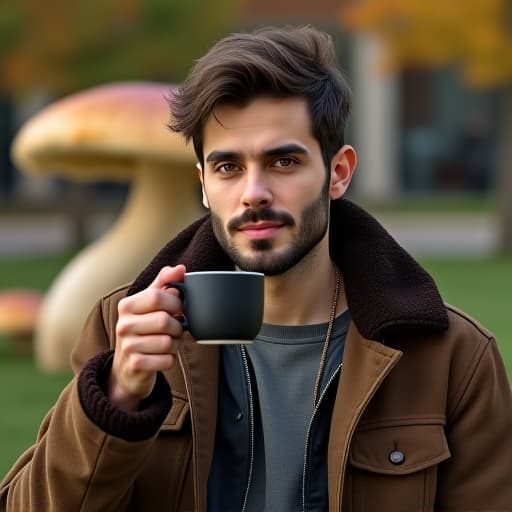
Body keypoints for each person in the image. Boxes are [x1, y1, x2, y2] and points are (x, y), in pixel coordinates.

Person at [1, 25, 511, 512]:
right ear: (202, 184)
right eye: (228, 168)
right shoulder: (126, 330)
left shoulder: (452, 358)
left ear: (338, 173)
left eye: (283, 162)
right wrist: (116, 396)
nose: (254, 193)